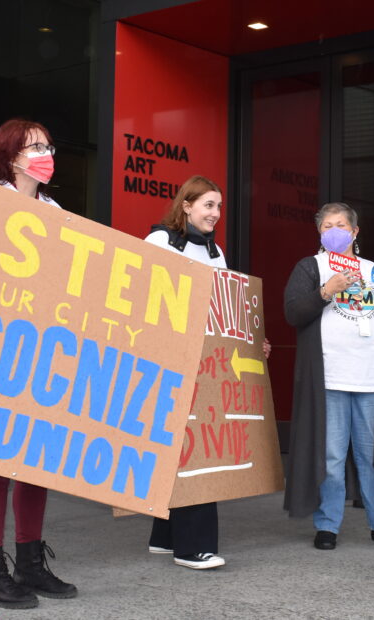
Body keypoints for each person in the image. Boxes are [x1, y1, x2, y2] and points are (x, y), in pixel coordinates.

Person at [0, 119, 77, 609]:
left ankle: (31, 562)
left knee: (36, 461)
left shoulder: (56, 212)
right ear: (11, 153)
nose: (45, 153)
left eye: (48, 145)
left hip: (42, 350)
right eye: (36, 146)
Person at [283, 202, 374, 550]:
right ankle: (328, 526)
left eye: (340, 225)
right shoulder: (311, 267)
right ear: (319, 233)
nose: (333, 231)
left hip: (371, 377)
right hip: (330, 376)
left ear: (355, 232)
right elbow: (293, 312)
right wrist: (327, 290)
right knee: (333, 456)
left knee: (373, 454)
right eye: (326, 226)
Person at [144, 174, 251, 571]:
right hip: (172, 359)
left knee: (187, 447)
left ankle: (165, 536)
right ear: (186, 205)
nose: (215, 214)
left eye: (219, 207)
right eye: (208, 205)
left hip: (207, 362)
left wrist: (247, 341)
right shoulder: (158, 243)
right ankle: (192, 547)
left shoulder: (214, 250)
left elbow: (224, 306)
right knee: (197, 449)